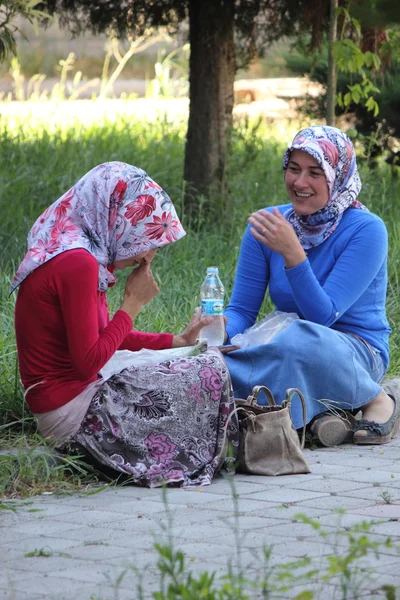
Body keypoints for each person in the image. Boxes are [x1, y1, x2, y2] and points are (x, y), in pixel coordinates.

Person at [11, 161, 239, 487]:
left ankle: (226, 441)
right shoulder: (78, 264)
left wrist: (176, 341)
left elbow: (101, 338)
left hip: (70, 401)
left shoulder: (73, 246)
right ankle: (229, 446)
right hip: (74, 415)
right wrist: (132, 304)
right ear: (117, 219)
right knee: (210, 369)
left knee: (191, 359)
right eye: (148, 240)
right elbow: (87, 362)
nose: (147, 258)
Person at [223, 125, 400, 447]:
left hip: (355, 350)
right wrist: (217, 329)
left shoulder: (368, 230)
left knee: (298, 340)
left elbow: (323, 316)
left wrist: (293, 254)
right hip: (288, 343)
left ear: (338, 176)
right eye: (293, 169)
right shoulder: (268, 225)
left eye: (315, 173)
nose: (300, 183)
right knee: (223, 357)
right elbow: (242, 310)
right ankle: (323, 416)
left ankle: (377, 399)